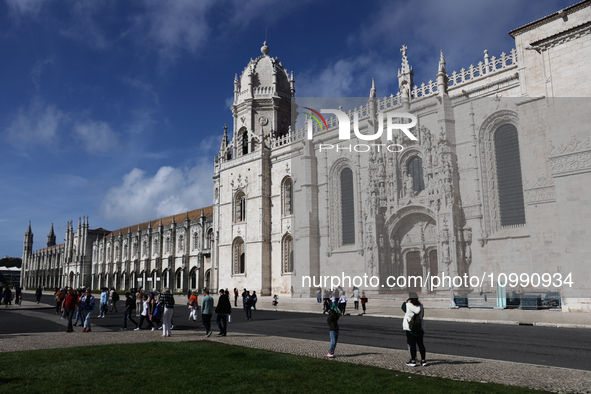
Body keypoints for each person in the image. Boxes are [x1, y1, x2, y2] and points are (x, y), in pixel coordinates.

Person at [402, 291, 427, 367]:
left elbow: (402, 307)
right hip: (419, 328)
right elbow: (422, 315)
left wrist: (406, 300)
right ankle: (423, 361)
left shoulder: (407, 305)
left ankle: (413, 361)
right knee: (421, 344)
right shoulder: (421, 305)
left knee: (412, 345)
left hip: (410, 328)